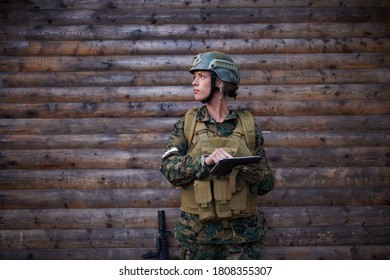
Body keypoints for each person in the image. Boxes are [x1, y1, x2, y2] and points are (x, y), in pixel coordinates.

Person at [160, 51, 275, 260]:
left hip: (243, 241)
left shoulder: (248, 127)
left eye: (201, 76)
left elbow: (267, 184)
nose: (194, 83)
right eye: (194, 77)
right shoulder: (187, 124)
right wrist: (205, 161)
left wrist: (248, 169)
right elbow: (169, 168)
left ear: (220, 82)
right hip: (199, 239)